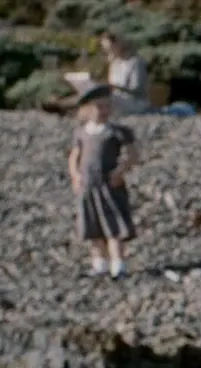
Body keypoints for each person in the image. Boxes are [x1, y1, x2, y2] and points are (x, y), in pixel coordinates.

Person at [68, 85, 143, 278]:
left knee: (114, 225)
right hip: (88, 185)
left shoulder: (117, 132)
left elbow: (133, 155)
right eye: (98, 106)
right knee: (92, 225)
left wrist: (120, 172)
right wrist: (75, 176)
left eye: (107, 106)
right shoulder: (81, 132)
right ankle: (99, 264)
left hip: (108, 185)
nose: (103, 111)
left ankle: (118, 265)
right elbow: (74, 157)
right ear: (87, 109)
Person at [101, 31, 152, 116]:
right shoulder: (114, 63)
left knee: (105, 102)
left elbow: (137, 89)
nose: (108, 52)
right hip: (118, 99)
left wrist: (117, 87)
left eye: (110, 48)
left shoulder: (135, 62)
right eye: (105, 49)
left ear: (119, 44)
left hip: (136, 102)